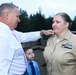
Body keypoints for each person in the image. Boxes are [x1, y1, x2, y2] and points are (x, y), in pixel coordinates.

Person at [0, 3, 54, 75]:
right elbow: (1, 69)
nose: (19, 20)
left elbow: (23, 36)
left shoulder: (9, 32)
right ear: (7, 15)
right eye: (17, 16)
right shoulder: (3, 36)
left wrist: (42, 33)